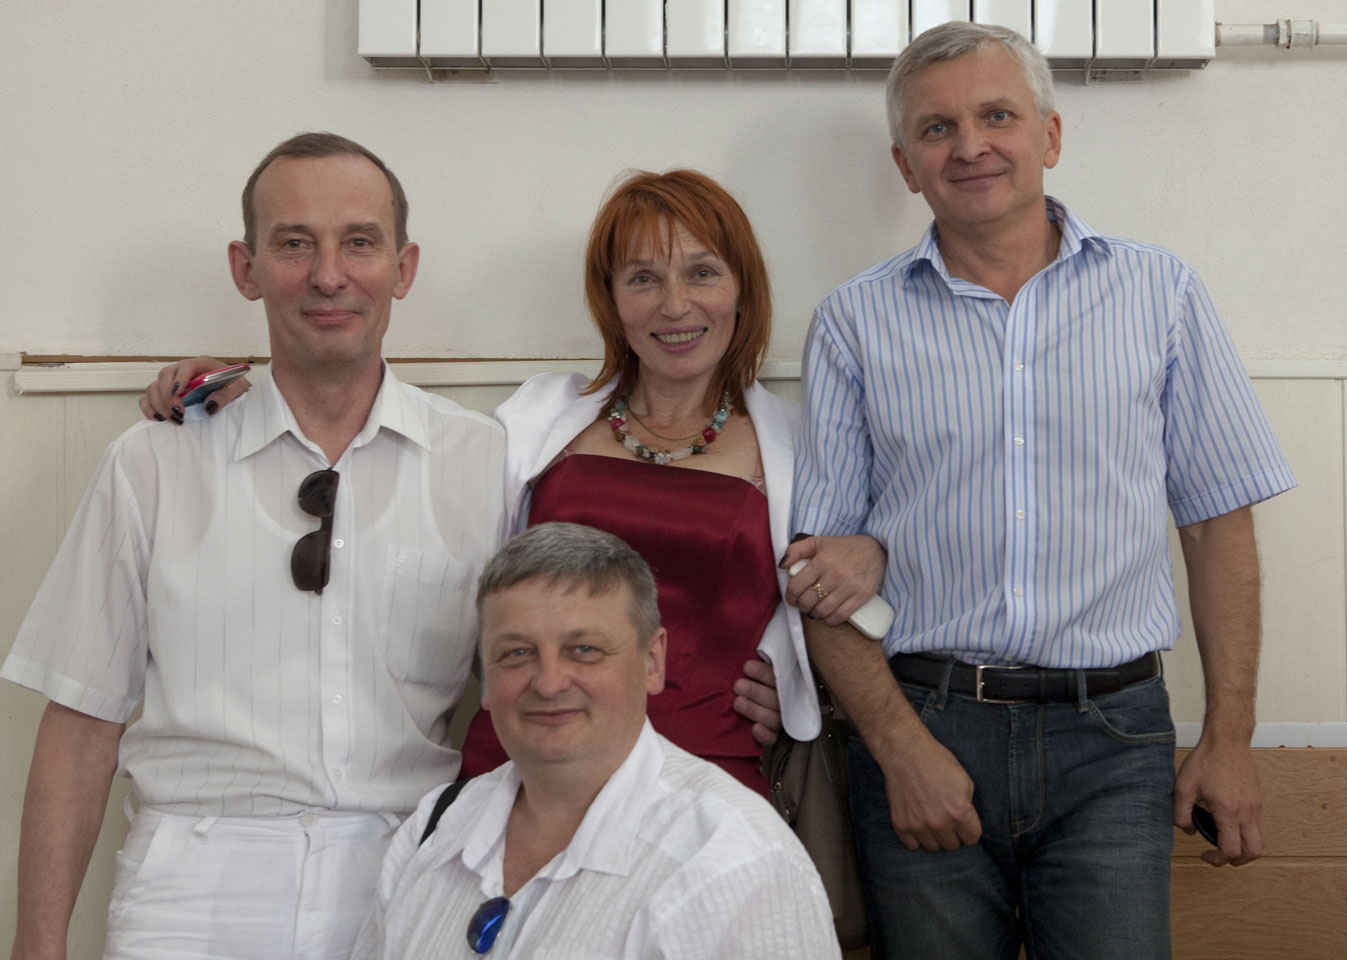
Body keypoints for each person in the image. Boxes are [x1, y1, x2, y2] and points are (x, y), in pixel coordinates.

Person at [786, 22, 1297, 960]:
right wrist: (900, 749)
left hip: (1115, 740)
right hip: (926, 726)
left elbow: (1218, 525)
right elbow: (816, 579)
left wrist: (1230, 737)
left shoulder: (1161, 295)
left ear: (1050, 137)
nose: (970, 146)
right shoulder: (854, 323)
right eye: (937, 128)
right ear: (906, 166)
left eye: (997, 116)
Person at [158, 169, 888, 794]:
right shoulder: (537, 419)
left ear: (741, 289)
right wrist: (251, 394)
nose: (674, 305)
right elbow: (390, 463)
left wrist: (807, 661)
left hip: (702, 773)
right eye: (643, 278)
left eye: (701, 273)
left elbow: (849, 579)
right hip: (519, 769)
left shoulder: (798, 443)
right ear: (610, 299)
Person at [4, 132, 505, 959]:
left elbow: (528, 691)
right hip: (189, 888)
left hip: (405, 881)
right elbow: (80, 725)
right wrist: (36, 947)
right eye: (294, 244)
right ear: (246, 268)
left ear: (404, 267)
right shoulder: (154, 462)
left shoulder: (483, 460)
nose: (329, 275)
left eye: (359, 242)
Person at [350, 521, 840, 958]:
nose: (548, 683)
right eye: (516, 652)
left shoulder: (734, 861)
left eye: (583, 649)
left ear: (653, 661)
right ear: (485, 676)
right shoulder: (435, 827)